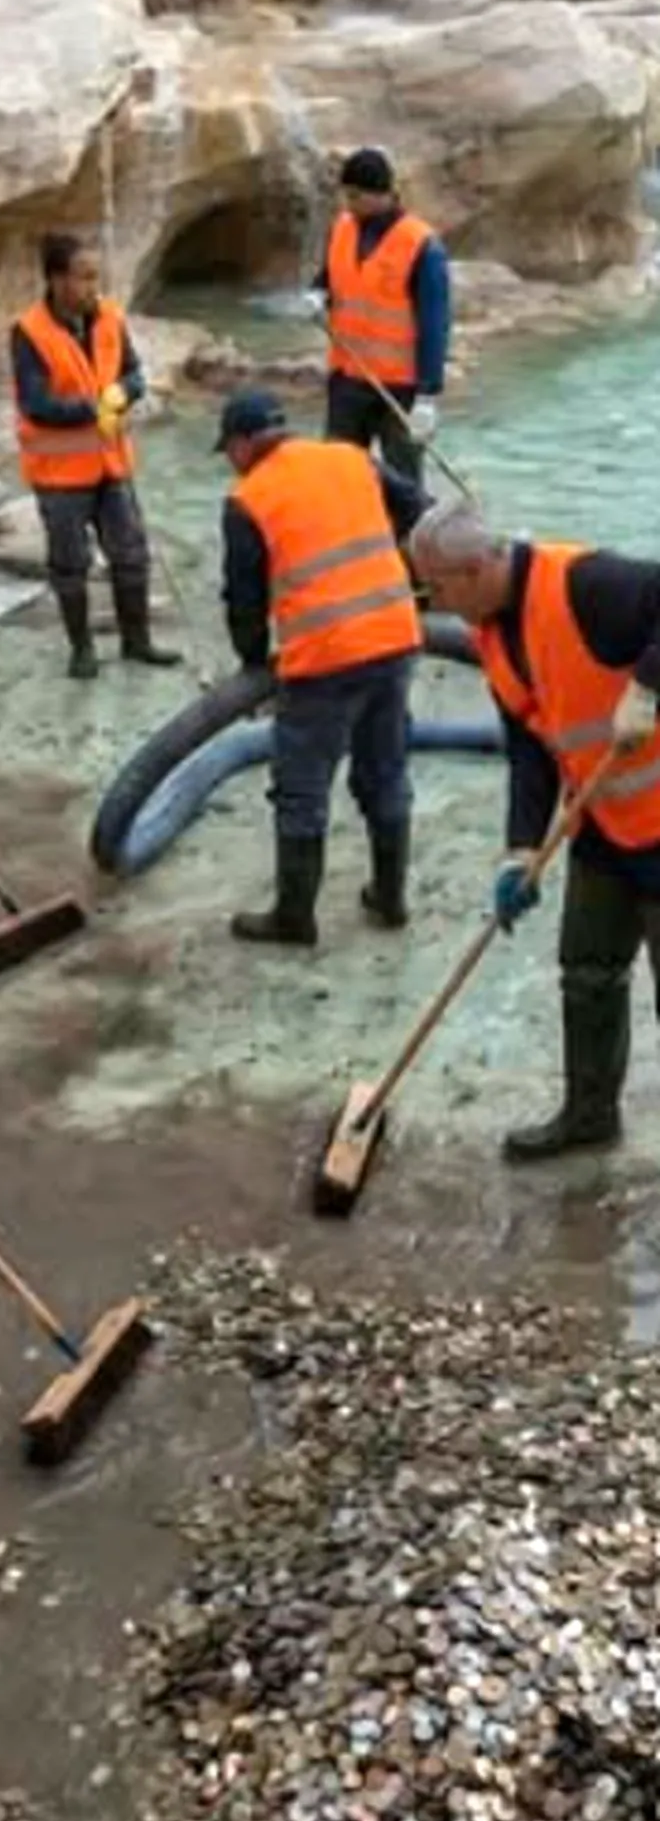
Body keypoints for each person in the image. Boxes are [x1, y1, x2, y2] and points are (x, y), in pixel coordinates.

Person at [406, 503, 660, 1159]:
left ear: (475, 567)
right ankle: (590, 1116)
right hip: (604, 822)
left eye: (437, 587)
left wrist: (649, 684)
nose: (433, 601)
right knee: (588, 969)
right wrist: (519, 850)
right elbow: (529, 747)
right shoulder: (493, 633)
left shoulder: (585, 584)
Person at [218, 388, 430, 947]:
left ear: (243, 444)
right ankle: (390, 899)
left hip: (324, 660)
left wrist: (252, 668)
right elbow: (421, 513)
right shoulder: (351, 456)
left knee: (302, 789)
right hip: (395, 637)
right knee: (384, 771)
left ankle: (294, 918)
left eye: (227, 451)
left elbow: (243, 600)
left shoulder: (249, 499)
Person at [10, 232, 178, 680]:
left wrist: (124, 391)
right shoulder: (29, 332)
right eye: (84, 277)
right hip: (60, 472)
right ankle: (81, 648)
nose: (93, 286)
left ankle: (137, 641)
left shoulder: (108, 318)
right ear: (57, 279)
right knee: (70, 564)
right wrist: (93, 409)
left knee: (131, 553)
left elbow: (133, 373)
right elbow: (36, 403)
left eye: (95, 277)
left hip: (111, 461)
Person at [308, 147, 452, 492]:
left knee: (403, 484)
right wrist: (317, 293)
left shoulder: (421, 246)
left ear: (380, 194)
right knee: (338, 474)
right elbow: (330, 274)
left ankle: (407, 543)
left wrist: (428, 397)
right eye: (346, 195)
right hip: (348, 377)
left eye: (355, 196)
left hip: (398, 388)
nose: (348, 204)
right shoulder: (343, 228)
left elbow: (435, 325)